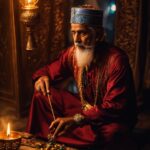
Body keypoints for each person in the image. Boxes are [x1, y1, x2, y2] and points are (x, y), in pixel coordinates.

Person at [26, 5, 137, 150]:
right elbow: (50, 69)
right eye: (73, 33)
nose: (76, 39)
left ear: (98, 34)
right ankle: (65, 135)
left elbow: (114, 107)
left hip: (110, 117)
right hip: (85, 108)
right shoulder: (72, 53)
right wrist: (42, 77)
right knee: (42, 95)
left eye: (82, 33)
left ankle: (63, 136)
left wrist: (76, 119)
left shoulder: (116, 60)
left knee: (112, 134)